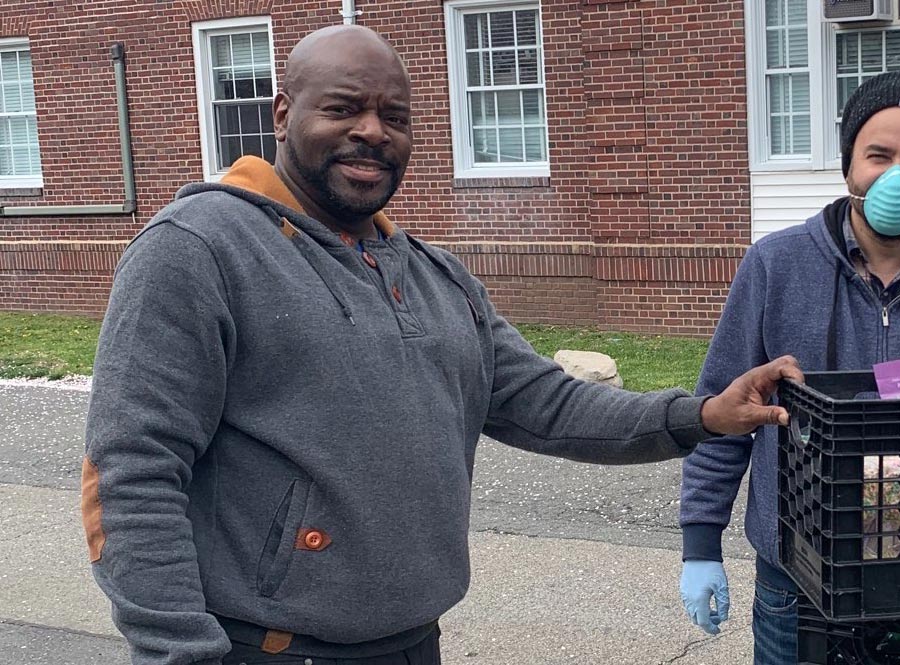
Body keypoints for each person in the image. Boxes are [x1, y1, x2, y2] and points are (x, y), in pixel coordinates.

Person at [82, 25, 799, 665]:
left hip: (412, 640)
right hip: (262, 646)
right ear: (281, 113)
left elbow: (545, 404)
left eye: (394, 116)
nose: (372, 131)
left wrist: (701, 416)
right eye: (342, 108)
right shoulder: (199, 249)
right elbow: (131, 474)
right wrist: (180, 651)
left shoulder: (433, 274)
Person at [676, 70, 900, 663]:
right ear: (850, 166)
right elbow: (724, 411)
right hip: (798, 580)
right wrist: (700, 543)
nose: (897, 174)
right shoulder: (776, 267)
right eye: (879, 154)